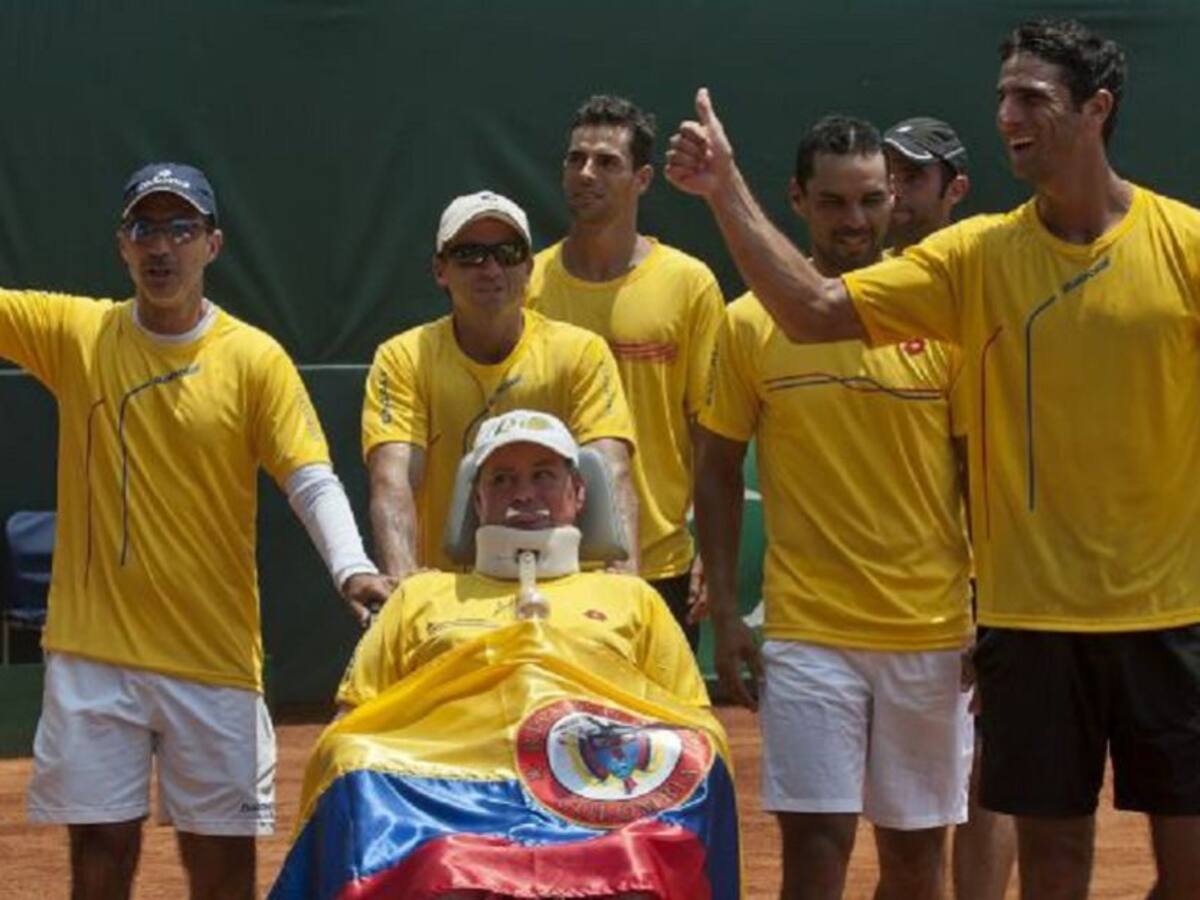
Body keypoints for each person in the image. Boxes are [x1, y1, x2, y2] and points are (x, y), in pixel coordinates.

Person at [668, 18, 1200, 900]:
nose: (1007, 116)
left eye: (1031, 98)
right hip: (1032, 623)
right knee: (1053, 866)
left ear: (1096, 109)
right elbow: (811, 309)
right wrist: (724, 190)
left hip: (1172, 614)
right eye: (1002, 97)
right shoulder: (974, 256)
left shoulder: (1184, 245)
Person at [1, 162, 393, 899]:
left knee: (221, 873)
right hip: (94, 656)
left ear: (212, 244)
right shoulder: (76, 333)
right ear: (122, 245)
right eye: (144, 228)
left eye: (181, 228)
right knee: (98, 859)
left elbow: (309, 477)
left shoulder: (254, 359)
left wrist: (351, 566)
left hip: (214, 661)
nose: (162, 246)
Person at [270, 410, 738, 900]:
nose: (524, 494)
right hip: (450, 803)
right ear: (476, 499)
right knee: (349, 758)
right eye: (502, 479)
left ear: (579, 493)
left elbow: (690, 722)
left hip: (594, 799)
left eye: (543, 475)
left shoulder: (632, 599)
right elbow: (354, 718)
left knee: (696, 765)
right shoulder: (418, 597)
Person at [694, 116, 972, 900]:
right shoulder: (749, 322)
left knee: (916, 864)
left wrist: (988, 600)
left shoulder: (938, 311)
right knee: (815, 857)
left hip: (932, 632)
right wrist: (725, 612)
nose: (855, 220)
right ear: (797, 199)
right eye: (833, 202)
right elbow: (716, 468)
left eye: (871, 200)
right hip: (809, 632)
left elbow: (974, 472)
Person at [527, 95, 725, 648]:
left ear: (642, 179)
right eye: (576, 159)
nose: (586, 173)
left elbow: (710, 432)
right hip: (545, 559)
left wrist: (712, 548)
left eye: (606, 162)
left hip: (660, 563)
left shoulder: (689, 285)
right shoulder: (527, 285)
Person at [363, 190, 638, 579]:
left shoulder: (581, 352)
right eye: (469, 254)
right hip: (449, 591)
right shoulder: (402, 358)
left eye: (507, 253)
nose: (490, 268)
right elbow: (393, 482)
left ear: (529, 269)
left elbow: (611, 472)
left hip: (568, 585)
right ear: (440, 270)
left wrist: (625, 585)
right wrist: (403, 592)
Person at [885, 114, 1019, 900]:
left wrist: (985, 590)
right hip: (901, 595)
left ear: (955, 190)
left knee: (988, 772)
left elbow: (983, 462)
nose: (896, 193)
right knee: (913, 809)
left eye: (914, 177)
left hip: (987, 576)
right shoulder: (865, 294)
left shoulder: (987, 289)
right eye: (889, 177)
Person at [883, 117, 971, 252]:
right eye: (886, 175)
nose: (894, 190)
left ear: (956, 190)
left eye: (911, 177)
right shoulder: (865, 264)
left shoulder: (984, 260)